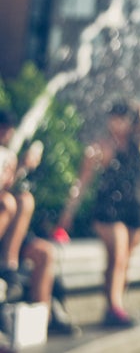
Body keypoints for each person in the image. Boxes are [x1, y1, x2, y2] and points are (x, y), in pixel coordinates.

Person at [57, 100, 140, 328]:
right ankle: (115, 307)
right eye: (113, 117)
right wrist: (68, 213)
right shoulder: (101, 146)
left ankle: (112, 306)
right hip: (108, 209)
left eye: (122, 118)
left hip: (136, 207)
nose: (117, 123)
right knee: (119, 254)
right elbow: (81, 183)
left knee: (122, 261)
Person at [0, 110, 79, 338]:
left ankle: (41, 323)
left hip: (11, 234)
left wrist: (23, 168)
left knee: (45, 252)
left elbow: (10, 188)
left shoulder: (9, 156)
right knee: (9, 203)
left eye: (8, 129)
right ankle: (8, 265)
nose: (6, 134)